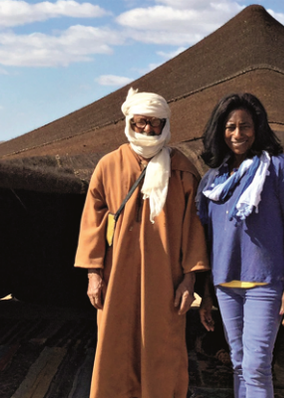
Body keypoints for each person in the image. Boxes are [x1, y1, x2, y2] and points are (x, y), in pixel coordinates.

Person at [74, 87, 209, 398]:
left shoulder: (182, 170)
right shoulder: (108, 166)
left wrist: (189, 281)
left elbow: (193, 229)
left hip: (164, 279)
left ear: (165, 125)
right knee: (114, 345)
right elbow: (92, 224)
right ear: (129, 122)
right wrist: (93, 275)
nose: (148, 129)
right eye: (141, 122)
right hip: (116, 275)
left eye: (155, 122)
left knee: (162, 346)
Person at [196, 93, 284, 398]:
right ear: (220, 130)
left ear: (257, 127)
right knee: (240, 364)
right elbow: (208, 239)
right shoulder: (213, 179)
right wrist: (205, 293)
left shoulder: (279, 167)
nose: (237, 134)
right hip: (224, 284)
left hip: (265, 283)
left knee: (257, 366)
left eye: (245, 126)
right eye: (230, 126)